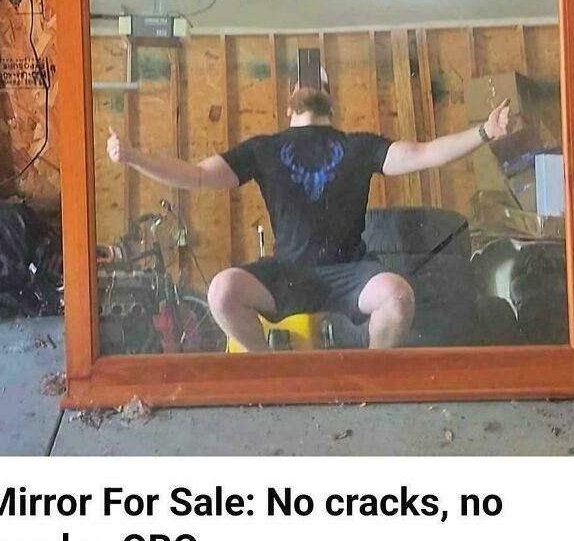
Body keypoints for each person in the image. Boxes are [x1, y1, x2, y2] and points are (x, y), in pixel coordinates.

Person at [107, 85, 510, 351]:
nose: (307, 84)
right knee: (221, 291)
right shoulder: (264, 148)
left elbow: (423, 154)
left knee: (398, 295)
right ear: (288, 107)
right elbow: (197, 175)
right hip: (288, 274)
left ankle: (372, 384)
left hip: (353, 272)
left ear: (329, 105)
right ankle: (272, 374)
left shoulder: (358, 146)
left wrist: (485, 133)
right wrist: (132, 157)